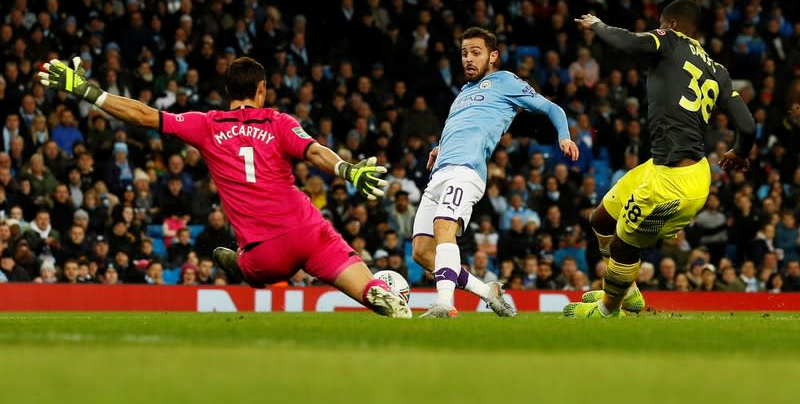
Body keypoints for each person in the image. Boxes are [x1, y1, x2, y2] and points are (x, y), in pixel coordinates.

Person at [39, 56, 411, 318]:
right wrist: (347, 170)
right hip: (308, 231)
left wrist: (89, 91)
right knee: (361, 280)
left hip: (265, 252)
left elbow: (142, 114)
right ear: (262, 89)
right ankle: (378, 294)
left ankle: (240, 264)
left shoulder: (207, 124)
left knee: (251, 270)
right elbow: (314, 152)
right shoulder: (278, 122)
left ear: (228, 89)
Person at [564, 0, 755, 318]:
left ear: (673, 25)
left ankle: (609, 309)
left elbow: (629, 42)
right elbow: (748, 125)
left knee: (625, 246)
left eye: (663, 24)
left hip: (675, 180)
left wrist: (598, 25)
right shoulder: (718, 70)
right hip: (667, 166)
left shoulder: (669, 40)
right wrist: (740, 152)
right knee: (601, 220)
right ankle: (628, 290)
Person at [411, 26, 578, 318]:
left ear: (493, 56)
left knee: (444, 227)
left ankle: (445, 304)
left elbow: (552, 109)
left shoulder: (504, 82)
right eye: (464, 53)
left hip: (467, 171)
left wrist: (564, 136)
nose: (468, 59)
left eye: (476, 53)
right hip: (439, 173)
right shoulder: (462, 93)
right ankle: (487, 291)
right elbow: (462, 126)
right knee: (423, 252)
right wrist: (439, 146)